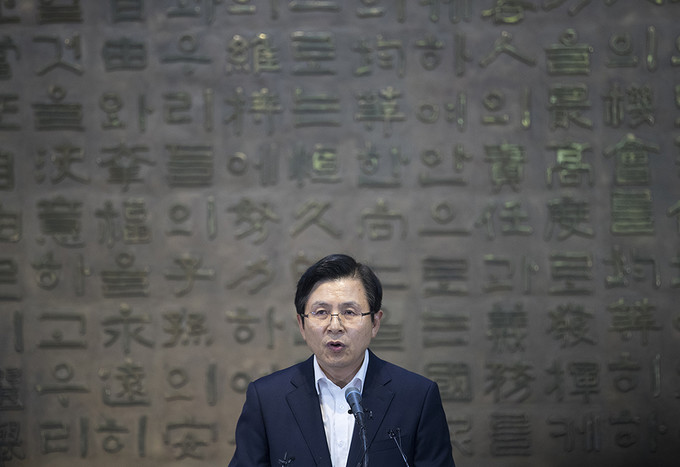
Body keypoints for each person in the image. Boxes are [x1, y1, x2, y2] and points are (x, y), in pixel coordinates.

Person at [228, 254, 456, 467]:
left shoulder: (417, 397)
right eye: (321, 312)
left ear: (375, 323)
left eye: (349, 312)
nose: (335, 326)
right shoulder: (267, 399)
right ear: (302, 324)